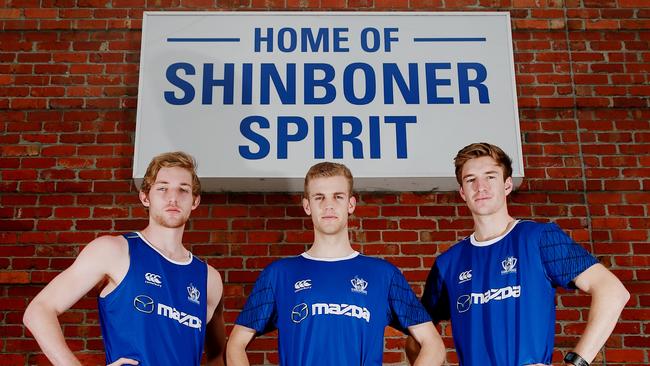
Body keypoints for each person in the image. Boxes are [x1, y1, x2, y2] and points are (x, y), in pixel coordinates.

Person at [406, 142, 629, 366]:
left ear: (507, 185)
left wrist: (575, 363)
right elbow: (417, 340)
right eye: (471, 179)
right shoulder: (448, 263)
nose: (480, 187)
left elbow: (612, 291)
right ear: (463, 192)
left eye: (490, 177)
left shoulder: (539, 238)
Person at [227, 162, 445, 366]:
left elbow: (433, 345)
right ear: (307, 206)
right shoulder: (278, 274)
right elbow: (236, 344)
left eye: (338, 196)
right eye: (319, 197)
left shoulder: (384, 275)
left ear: (351, 204)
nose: (328, 205)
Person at [23, 151, 226, 366]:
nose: (173, 197)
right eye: (163, 188)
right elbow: (38, 311)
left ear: (195, 201)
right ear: (145, 197)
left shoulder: (208, 279)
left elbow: (217, 356)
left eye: (183, 190)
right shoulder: (114, 250)